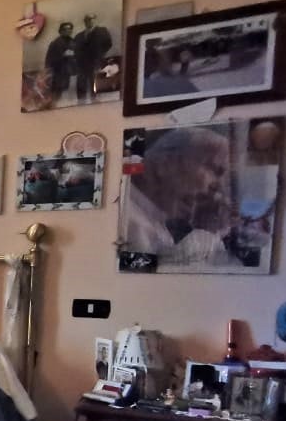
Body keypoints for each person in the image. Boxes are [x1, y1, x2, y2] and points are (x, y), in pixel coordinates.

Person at [121, 126, 237, 267]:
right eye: (215, 169)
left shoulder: (152, 221)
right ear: (165, 162)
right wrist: (207, 231)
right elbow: (142, 275)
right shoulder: (131, 224)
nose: (219, 189)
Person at [73, 14, 112, 103]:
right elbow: (76, 48)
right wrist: (78, 58)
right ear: (85, 22)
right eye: (87, 20)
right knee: (81, 82)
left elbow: (108, 44)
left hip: (95, 61)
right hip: (82, 63)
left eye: (91, 20)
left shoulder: (102, 31)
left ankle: (94, 99)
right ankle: (81, 101)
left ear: (94, 20)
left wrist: (100, 54)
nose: (89, 22)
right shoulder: (79, 35)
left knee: (94, 80)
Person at [44, 21, 76, 104]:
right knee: (57, 93)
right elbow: (49, 60)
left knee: (67, 92)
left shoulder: (73, 42)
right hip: (58, 72)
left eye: (70, 29)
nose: (68, 31)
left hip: (70, 72)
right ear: (61, 31)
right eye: (65, 29)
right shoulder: (55, 43)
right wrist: (64, 55)